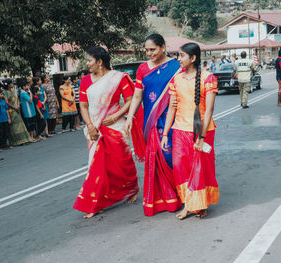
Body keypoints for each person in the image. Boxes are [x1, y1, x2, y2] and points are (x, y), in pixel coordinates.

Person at [73, 46, 145, 219]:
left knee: (121, 162)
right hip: (95, 128)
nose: (87, 64)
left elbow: (130, 101)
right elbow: (83, 106)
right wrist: (90, 125)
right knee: (96, 166)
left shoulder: (118, 78)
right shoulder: (85, 81)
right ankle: (96, 203)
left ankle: (132, 188)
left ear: (99, 62)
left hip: (115, 126)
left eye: (90, 60)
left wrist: (116, 117)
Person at [124, 33, 183, 216]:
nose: (149, 53)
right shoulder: (142, 69)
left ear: (163, 47)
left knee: (172, 158)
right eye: (147, 50)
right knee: (157, 160)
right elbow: (137, 95)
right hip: (151, 121)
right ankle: (164, 198)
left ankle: (181, 195)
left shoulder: (175, 66)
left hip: (174, 119)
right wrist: (130, 116)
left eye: (153, 49)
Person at [161, 43, 219, 219]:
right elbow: (171, 108)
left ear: (192, 58)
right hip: (179, 131)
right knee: (180, 168)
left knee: (199, 169)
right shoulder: (176, 79)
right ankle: (189, 203)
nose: (178, 59)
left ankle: (198, 205)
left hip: (202, 131)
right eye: (178, 55)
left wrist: (201, 137)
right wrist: (165, 134)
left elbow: (208, 111)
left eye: (182, 55)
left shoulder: (208, 78)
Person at [2, 79, 31, 146]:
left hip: (17, 109)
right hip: (11, 111)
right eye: (11, 83)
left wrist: (18, 105)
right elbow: (6, 102)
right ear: (8, 85)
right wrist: (14, 107)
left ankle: (24, 139)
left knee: (20, 124)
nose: (12, 84)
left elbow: (17, 98)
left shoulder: (13, 90)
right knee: (14, 127)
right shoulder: (4, 92)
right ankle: (16, 142)